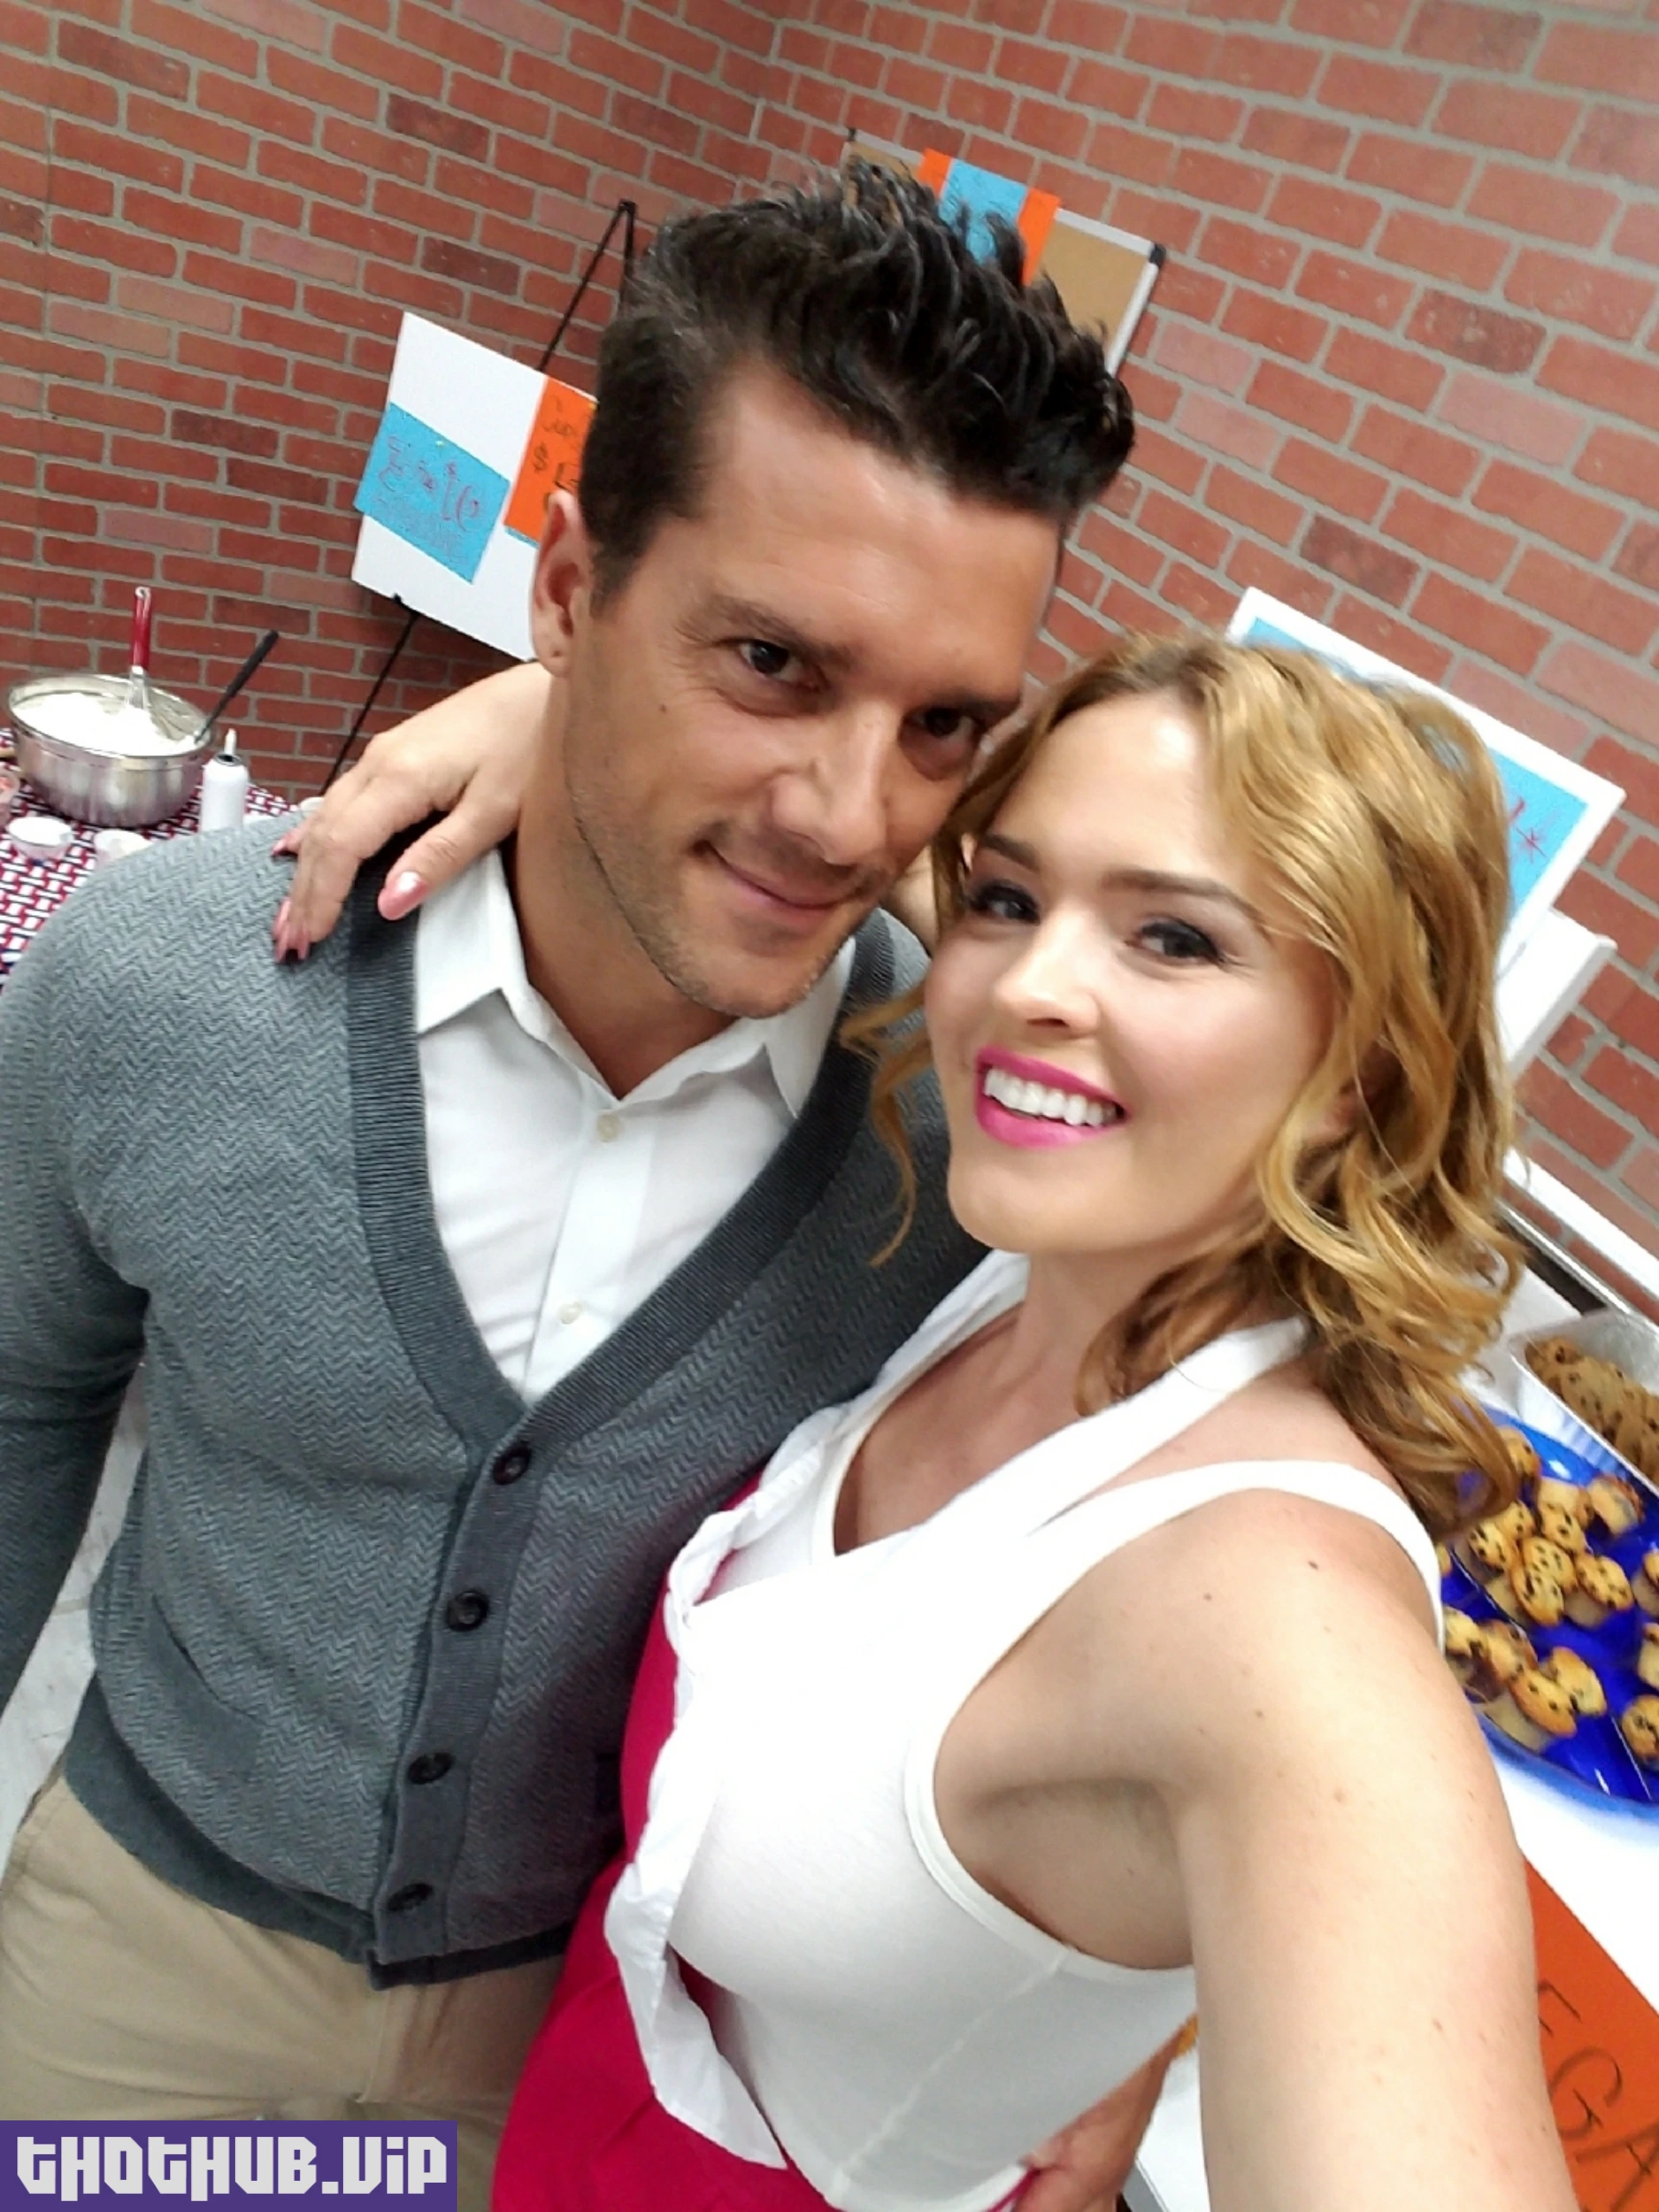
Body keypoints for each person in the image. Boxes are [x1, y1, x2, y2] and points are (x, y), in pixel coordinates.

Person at [0, 165, 1148, 2209]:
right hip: (138, 1957)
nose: (850, 813)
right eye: (771, 661)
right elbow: (22, 1387)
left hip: (596, 2039)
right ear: (564, 593)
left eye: (946, 724)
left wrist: (1139, 2018)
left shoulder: (966, 1156)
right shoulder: (161, 990)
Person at [480, 632, 1574, 2212]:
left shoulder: (1280, 1627)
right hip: (593, 2108)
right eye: (1007, 898)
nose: (1025, 989)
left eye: (1176, 938)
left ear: (1361, 1064)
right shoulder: (1034, 1262)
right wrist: (537, 724)